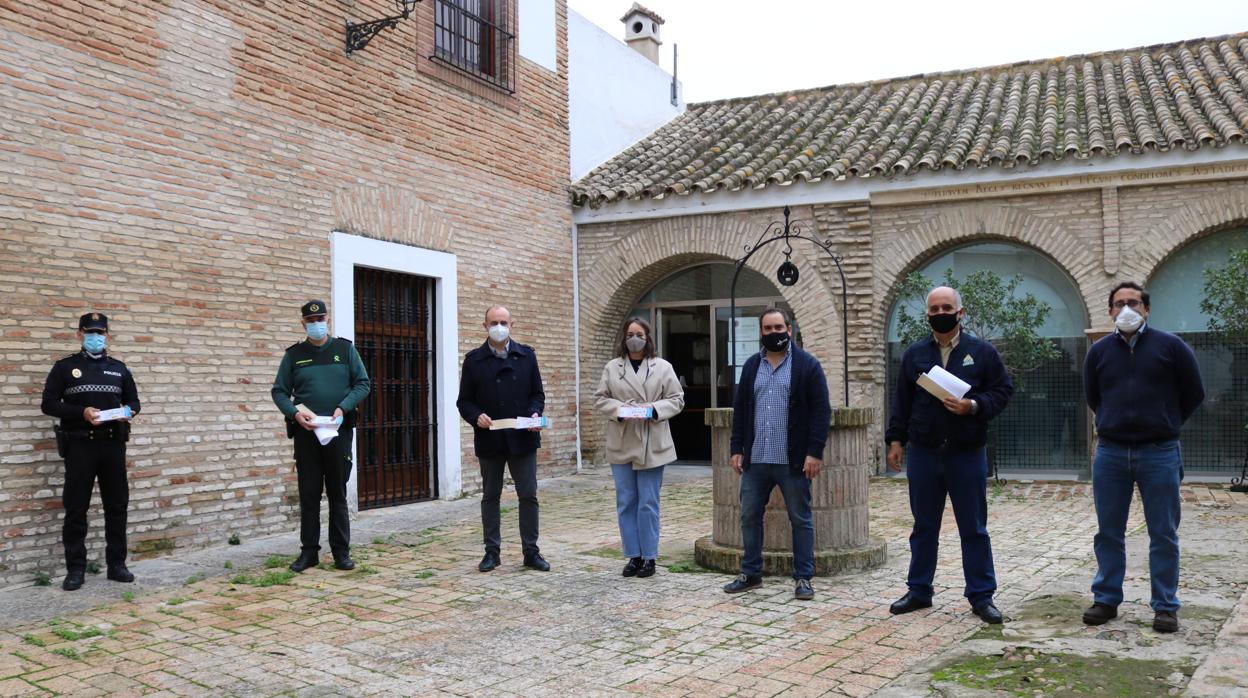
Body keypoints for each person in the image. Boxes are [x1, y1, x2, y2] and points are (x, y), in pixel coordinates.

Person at [885, 286, 1014, 625]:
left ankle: (981, 595)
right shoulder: (915, 354)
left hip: (966, 453)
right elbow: (901, 401)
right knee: (924, 526)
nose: (940, 312)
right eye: (934, 308)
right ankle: (919, 590)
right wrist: (895, 440)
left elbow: (1003, 391)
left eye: (947, 307)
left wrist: (973, 406)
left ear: (960, 312)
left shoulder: (982, 352)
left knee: (973, 527)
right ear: (927, 315)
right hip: (925, 453)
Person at [1081, 281, 1204, 633]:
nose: (1126, 309)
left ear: (1147, 308)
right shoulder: (1100, 352)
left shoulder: (1172, 347)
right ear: (1109, 311)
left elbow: (1194, 392)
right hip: (1111, 452)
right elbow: (1094, 396)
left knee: (1163, 532)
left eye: (1133, 302)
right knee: (1108, 531)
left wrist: (1165, 423)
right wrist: (1113, 422)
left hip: (1160, 452)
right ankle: (1106, 598)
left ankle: (1165, 605)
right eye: (1119, 304)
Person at [722, 308, 831, 600]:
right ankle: (751, 573)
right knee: (748, 516)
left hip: (792, 461)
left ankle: (804, 577)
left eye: (778, 327)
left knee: (800, 518)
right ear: (761, 332)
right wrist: (736, 448)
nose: (774, 332)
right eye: (768, 328)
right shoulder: (750, 367)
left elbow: (822, 413)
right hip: (756, 459)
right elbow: (741, 411)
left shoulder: (807, 366)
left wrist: (814, 452)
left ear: (790, 330)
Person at [41, 312, 141, 591]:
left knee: (117, 506)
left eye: (100, 333)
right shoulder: (64, 368)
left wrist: (128, 412)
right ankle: (75, 570)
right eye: (89, 333)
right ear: (79, 335)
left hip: (112, 444)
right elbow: (48, 404)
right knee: (76, 508)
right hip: (80, 444)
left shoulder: (119, 368)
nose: (95, 338)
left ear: (107, 336)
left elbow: (134, 401)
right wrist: (80, 412)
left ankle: (117, 565)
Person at [270, 300, 371, 573]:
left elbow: (363, 383)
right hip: (307, 434)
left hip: (338, 431)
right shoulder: (294, 355)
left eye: (321, 318)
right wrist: (294, 413)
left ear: (328, 320)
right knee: (309, 494)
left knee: (337, 492)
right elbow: (279, 391)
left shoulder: (345, 350)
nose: (316, 324)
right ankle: (309, 552)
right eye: (310, 320)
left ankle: (341, 552)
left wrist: (343, 406)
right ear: (303, 323)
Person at [457, 306, 549, 572]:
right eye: (494, 322)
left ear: (512, 325)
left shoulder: (527, 356)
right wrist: (477, 416)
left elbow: (537, 394)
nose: (499, 326)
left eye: (504, 322)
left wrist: (535, 413)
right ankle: (491, 552)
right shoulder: (474, 360)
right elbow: (464, 401)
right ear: (485, 326)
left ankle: (531, 552)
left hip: (522, 438)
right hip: (490, 439)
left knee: (528, 495)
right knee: (490, 496)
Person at [593, 317, 685, 578]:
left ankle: (650, 557)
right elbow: (600, 398)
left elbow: (677, 400)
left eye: (639, 334)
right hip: (622, 439)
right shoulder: (613, 367)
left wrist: (653, 410)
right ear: (624, 338)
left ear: (648, 338)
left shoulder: (662, 367)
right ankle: (632, 555)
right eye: (630, 334)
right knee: (626, 501)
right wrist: (620, 410)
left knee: (648, 502)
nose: (634, 338)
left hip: (652, 440)